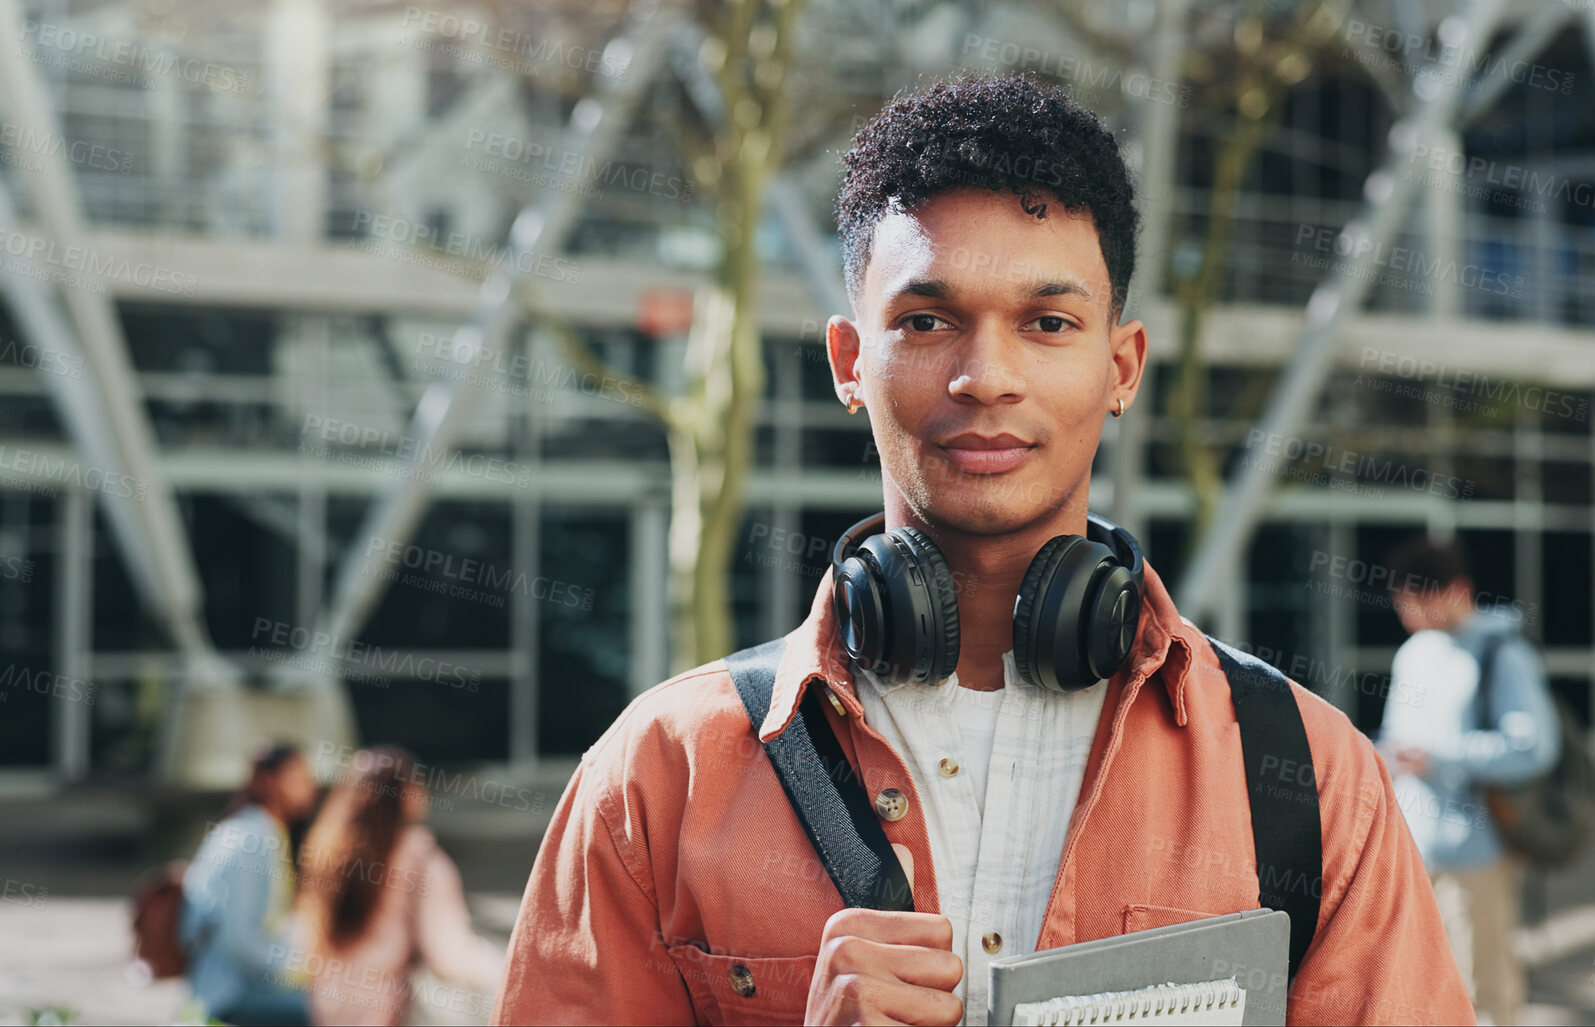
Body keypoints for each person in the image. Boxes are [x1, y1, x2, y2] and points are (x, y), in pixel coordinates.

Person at [495, 74, 1473, 1026]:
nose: (987, 376)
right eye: (927, 320)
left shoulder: (1309, 774)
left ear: (1122, 364)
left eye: (1047, 323)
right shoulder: (659, 775)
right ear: (849, 362)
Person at [1376, 537, 1560, 1027]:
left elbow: (1532, 748)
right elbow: (1399, 738)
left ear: (1459, 590)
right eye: (1404, 605)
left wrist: (1437, 758)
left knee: (1483, 987)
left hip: (1476, 850)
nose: (1411, 616)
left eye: (1421, 603)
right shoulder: (1414, 652)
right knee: (1417, 987)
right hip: (1413, 848)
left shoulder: (1503, 653)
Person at [291, 746, 504, 1026]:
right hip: (383, 1013)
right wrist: (506, 967)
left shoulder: (326, 854)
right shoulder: (421, 859)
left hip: (327, 1007)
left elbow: (303, 938)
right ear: (407, 794)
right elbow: (450, 955)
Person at [179, 741, 319, 1026]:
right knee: (335, 1012)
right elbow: (238, 939)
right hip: (228, 993)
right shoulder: (252, 839)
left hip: (247, 984)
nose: (309, 787)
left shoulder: (262, 830)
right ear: (269, 782)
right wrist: (297, 970)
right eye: (297, 778)